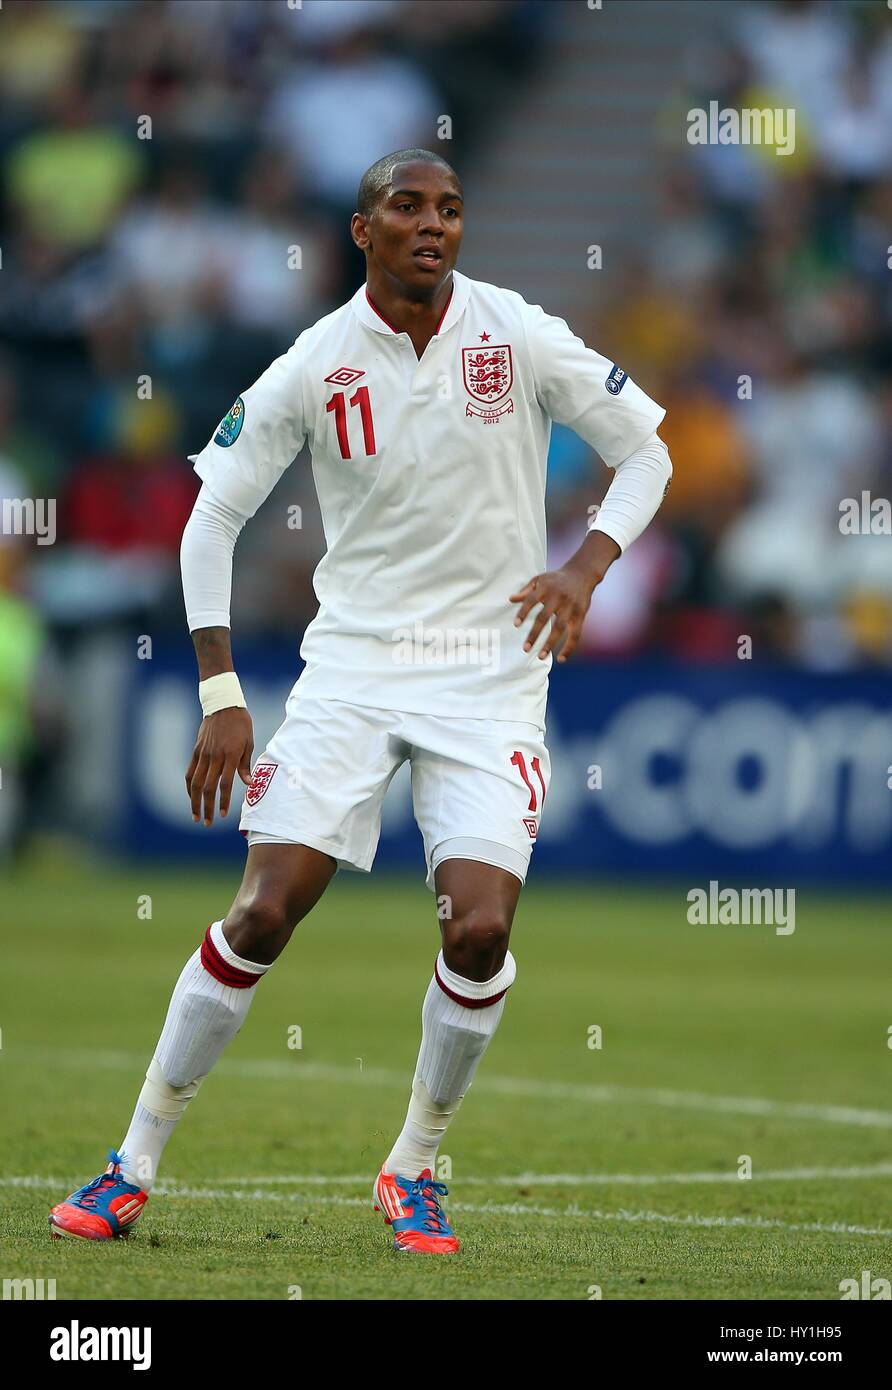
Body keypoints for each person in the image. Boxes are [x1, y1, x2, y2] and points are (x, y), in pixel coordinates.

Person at [49, 149, 672, 1253]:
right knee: (262, 912)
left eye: (450, 209)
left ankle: (414, 1164)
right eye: (408, 208)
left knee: (479, 930)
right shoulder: (313, 364)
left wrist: (583, 568)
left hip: (489, 673)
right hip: (352, 669)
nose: (434, 226)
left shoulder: (515, 332)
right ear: (361, 229)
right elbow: (210, 521)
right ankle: (128, 1162)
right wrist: (221, 689)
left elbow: (645, 453)